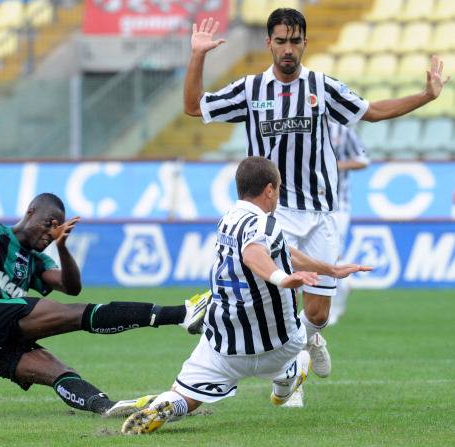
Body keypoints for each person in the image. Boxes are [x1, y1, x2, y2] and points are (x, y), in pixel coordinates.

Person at [182, 8, 450, 379]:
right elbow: (193, 107)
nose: (287, 49)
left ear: (305, 43)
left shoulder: (322, 87)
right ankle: (289, 378)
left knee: (318, 314)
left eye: (294, 41)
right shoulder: (250, 90)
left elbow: (372, 111)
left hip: (322, 212)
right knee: (275, 302)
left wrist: (426, 96)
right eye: (281, 41)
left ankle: (310, 340)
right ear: (269, 43)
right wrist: (198, 55)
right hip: (275, 213)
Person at [120, 157, 372, 434]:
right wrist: (282, 277)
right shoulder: (266, 224)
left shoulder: (226, 220)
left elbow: (281, 250)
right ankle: (292, 373)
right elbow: (253, 253)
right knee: (297, 352)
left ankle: (168, 405)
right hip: (280, 345)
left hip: (225, 345)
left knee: (186, 397)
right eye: (278, 188)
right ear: (269, 190)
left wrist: (329, 269)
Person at [0, 192, 210, 417]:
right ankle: (182, 313)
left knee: (57, 370)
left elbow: (71, 286)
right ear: (30, 212)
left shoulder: (35, 262)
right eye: (48, 224)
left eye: (58, 228)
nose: (51, 232)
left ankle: (106, 406)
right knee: (75, 315)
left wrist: (62, 247)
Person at [328, 121, 370, 326]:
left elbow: (363, 159)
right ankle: (344, 286)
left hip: (338, 206)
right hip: (307, 206)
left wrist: (338, 165)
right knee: (316, 256)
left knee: (333, 255)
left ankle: (335, 307)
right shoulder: (302, 126)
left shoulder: (342, 130)